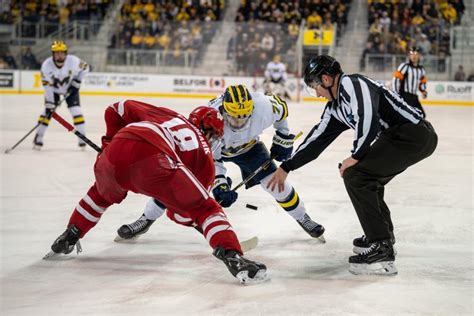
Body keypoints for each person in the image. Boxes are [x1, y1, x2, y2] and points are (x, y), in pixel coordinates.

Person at [45, 100, 268, 284]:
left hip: (120, 144)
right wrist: (200, 223)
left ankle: (70, 235)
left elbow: (116, 109)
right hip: (156, 160)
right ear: (212, 135)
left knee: (100, 196)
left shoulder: (169, 116)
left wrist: (108, 144)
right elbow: (178, 212)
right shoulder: (205, 158)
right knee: (206, 208)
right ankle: (233, 256)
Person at [267, 55, 438, 275]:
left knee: (357, 175)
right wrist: (287, 166)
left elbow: (368, 119)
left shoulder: (353, 84)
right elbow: (316, 140)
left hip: (414, 134)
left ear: (327, 79)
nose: (317, 93)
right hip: (397, 137)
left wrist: (355, 155)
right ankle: (383, 235)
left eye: (315, 87)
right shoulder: (334, 107)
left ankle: (382, 245)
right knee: (366, 176)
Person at [116, 85, 325, 242]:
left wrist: (282, 136)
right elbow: (212, 159)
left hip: (250, 148)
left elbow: (282, 111)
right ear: (224, 109)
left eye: (245, 116)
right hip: (213, 151)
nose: (239, 122)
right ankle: (146, 218)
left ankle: (303, 217)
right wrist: (220, 184)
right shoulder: (211, 120)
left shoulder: (264, 106)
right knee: (177, 184)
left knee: (276, 183)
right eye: (234, 117)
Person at [34, 40, 90, 149]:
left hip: (70, 89)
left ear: (65, 53)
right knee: (47, 114)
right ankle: (38, 137)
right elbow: (47, 86)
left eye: (61, 52)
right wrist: (50, 102)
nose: (59, 55)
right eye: (56, 52)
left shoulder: (74, 61)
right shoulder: (46, 65)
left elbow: (86, 67)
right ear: (53, 54)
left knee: (77, 112)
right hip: (53, 91)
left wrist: (77, 81)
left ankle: (82, 138)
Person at [392, 46, 427, 117]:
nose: (414, 56)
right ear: (409, 56)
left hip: (414, 97)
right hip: (405, 96)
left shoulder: (421, 69)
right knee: (406, 116)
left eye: (416, 54)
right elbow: (395, 80)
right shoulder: (404, 66)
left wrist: (423, 91)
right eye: (412, 54)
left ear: (419, 56)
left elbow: (422, 82)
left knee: (422, 115)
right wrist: (396, 94)